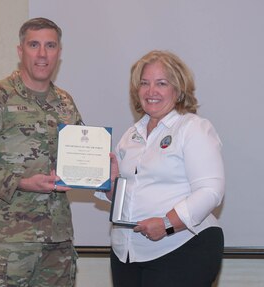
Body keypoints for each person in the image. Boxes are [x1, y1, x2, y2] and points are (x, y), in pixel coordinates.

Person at [0, 17, 83, 287]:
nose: (42, 54)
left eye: (50, 46)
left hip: (57, 243)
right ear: (20, 51)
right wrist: (22, 183)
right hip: (8, 245)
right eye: (34, 45)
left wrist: (101, 169)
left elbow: (82, 155)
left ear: (59, 53)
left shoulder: (65, 103)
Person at [96, 50, 225, 287]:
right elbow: (128, 195)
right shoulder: (131, 135)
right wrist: (112, 186)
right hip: (127, 251)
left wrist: (167, 224)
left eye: (161, 83)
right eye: (144, 83)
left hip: (181, 247)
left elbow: (210, 191)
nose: (150, 91)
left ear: (178, 90)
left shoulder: (193, 128)